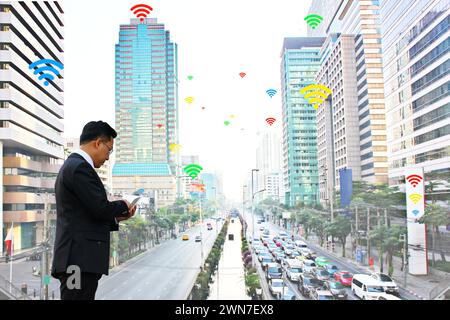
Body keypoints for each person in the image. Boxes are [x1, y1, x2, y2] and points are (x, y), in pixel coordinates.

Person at [51, 121, 136, 300]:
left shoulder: (74, 166)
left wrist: (117, 219)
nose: (108, 157)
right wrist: (124, 204)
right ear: (97, 143)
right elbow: (99, 207)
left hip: (78, 260)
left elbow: (86, 214)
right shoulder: (80, 168)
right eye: (109, 150)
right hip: (77, 261)